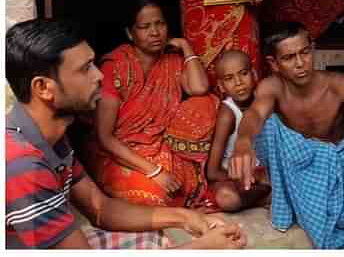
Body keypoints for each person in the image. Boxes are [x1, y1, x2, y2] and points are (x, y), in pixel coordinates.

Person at [5, 18, 247, 249]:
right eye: (85, 68)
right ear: (43, 88)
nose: (99, 76)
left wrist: (186, 217)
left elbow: (100, 208)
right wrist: (205, 247)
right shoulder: (24, 165)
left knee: (154, 239)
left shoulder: (54, 140)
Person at [229, 22, 344, 249]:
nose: (300, 63)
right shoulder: (272, 87)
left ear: (312, 49)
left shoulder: (339, 84)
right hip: (295, 170)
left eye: (305, 52)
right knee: (268, 125)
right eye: (289, 58)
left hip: (334, 167)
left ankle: (314, 209)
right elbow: (254, 114)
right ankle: (309, 209)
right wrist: (243, 142)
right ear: (274, 64)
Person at [90, 0, 218, 209]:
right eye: (144, 27)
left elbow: (199, 88)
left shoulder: (173, 61)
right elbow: (105, 137)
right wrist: (155, 171)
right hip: (118, 152)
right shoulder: (115, 66)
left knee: (206, 103)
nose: (155, 32)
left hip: (159, 146)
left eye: (160, 24)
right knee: (157, 196)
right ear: (130, 33)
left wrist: (186, 47)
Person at [205, 49, 271, 212]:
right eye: (229, 78)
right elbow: (212, 172)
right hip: (232, 177)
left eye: (243, 74)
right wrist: (249, 178)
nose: (238, 82)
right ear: (221, 86)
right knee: (227, 198)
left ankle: (268, 194)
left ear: (254, 74)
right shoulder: (228, 113)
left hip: (263, 174)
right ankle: (267, 197)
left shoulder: (265, 103)